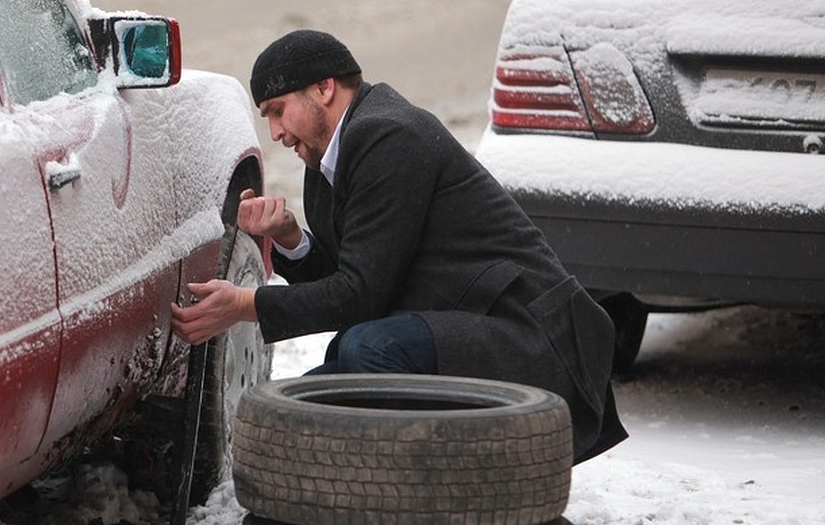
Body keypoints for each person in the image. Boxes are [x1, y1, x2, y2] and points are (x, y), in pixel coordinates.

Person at [171, 29, 626, 463]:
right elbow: (354, 278)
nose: (274, 132)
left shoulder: (389, 135)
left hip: (533, 339)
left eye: (277, 109)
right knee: (287, 411)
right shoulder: (327, 156)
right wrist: (291, 238)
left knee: (369, 348)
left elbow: (360, 296)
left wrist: (246, 305)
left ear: (324, 88)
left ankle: (419, 495)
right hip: (457, 327)